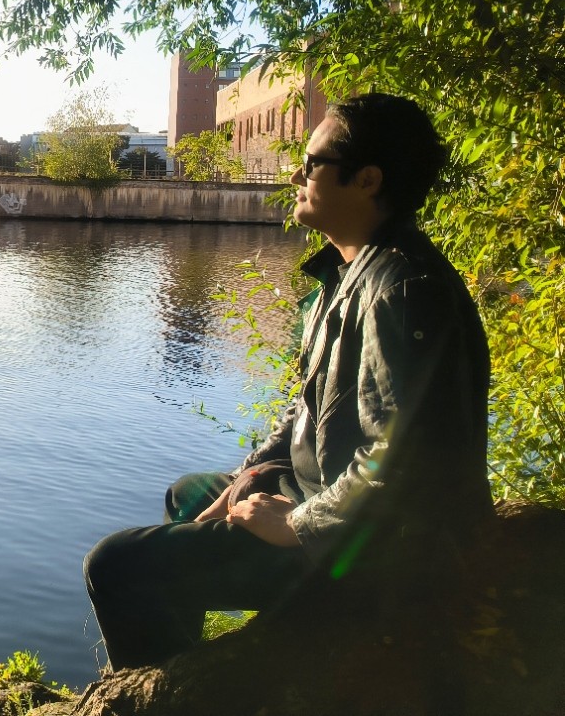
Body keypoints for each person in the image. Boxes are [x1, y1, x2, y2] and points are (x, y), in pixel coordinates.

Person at [83, 92, 492, 670]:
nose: (297, 174)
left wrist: (296, 524)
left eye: (313, 161)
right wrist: (250, 476)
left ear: (367, 179)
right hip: (331, 501)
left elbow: (407, 460)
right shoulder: (351, 273)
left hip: (380, 549)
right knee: (192, 494)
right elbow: (306, 410)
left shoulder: (402, 290)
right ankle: (189, 671)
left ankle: (177, 696)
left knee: (116, 565)